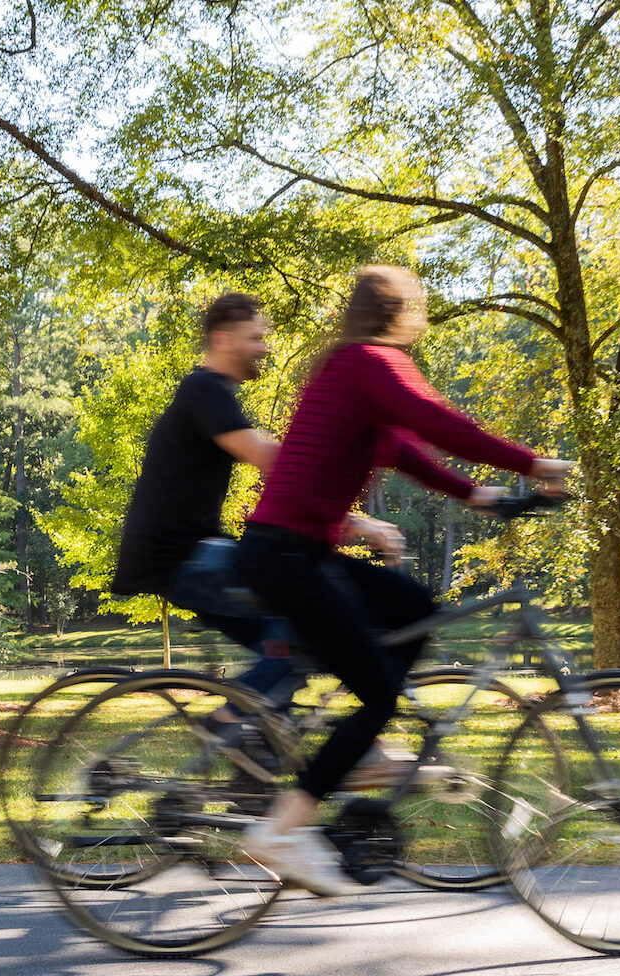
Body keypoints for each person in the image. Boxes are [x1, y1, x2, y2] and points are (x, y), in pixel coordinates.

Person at [235, 265, 572, 895]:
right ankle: (282, 828)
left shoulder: (350, 367)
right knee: (379, 696)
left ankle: (355, 754)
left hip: (303, 552)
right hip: (287, 556)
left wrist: (474, 493)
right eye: (417, 307)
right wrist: (532, 462)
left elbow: (401, 449)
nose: (421, 317)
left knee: (414, 607)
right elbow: (435, 421)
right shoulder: (367, 363)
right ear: (399, 312)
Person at [111, 292, 400, 715]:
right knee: (308, 621)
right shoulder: (202, 389)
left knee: (288, 648)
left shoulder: (210, 394)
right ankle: (228, 723)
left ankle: (257, 759)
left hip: (181, 557)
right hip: (182, 557)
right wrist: (356, 520)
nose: (264, 347)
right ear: (223, 339)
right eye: (256, 337)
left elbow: (278, 477)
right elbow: (275, 461)